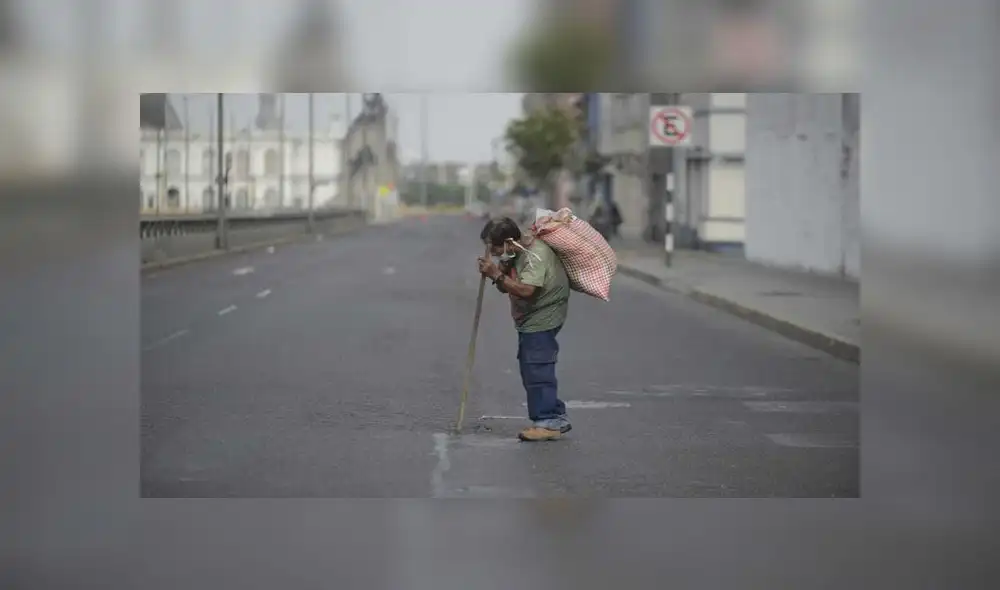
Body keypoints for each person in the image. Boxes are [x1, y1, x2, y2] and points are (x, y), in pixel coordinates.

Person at [476, 217, 572, 441]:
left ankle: (547, 421)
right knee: (531, 367)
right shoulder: (515, 252)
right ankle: (554, 415)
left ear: (508, 241)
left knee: (538, 367)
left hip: (543, 317)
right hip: (528, 319)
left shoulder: (534, 255)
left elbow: (528, 290)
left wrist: (496, 274)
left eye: (496, 248)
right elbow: (505, 287)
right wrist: (498, 272)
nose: (495, 253)